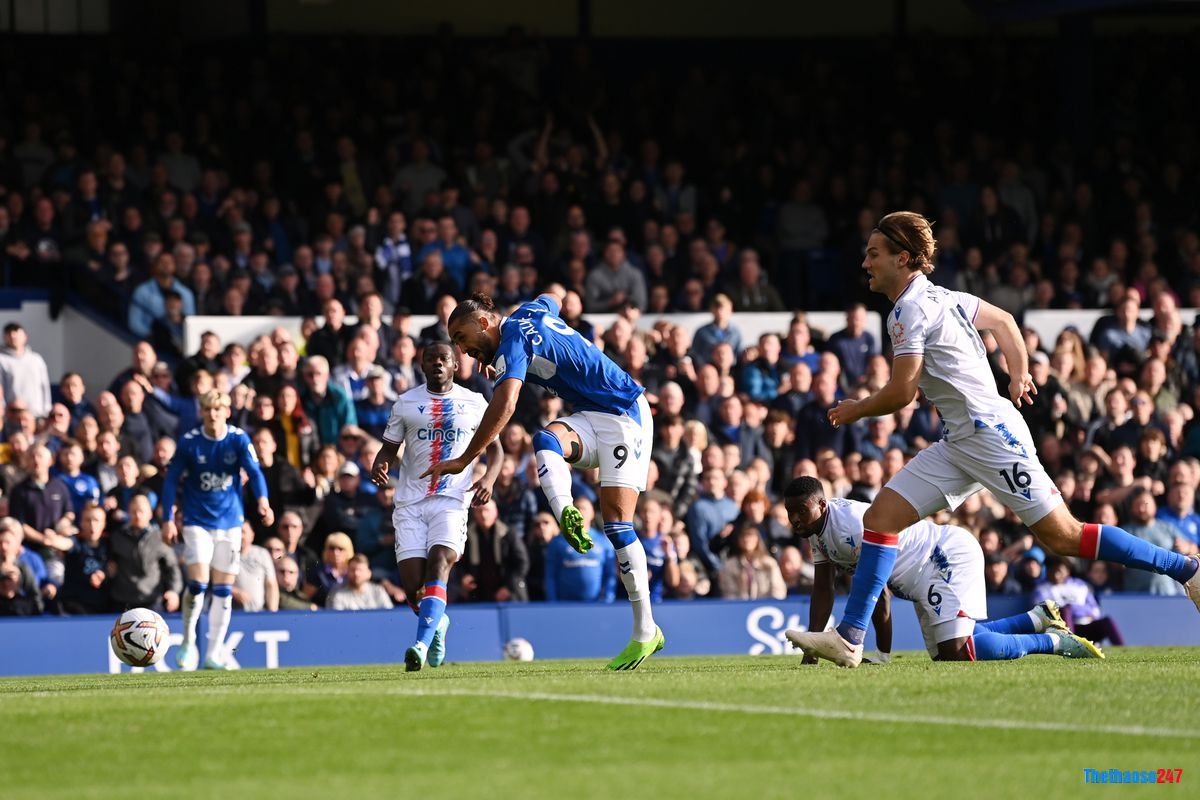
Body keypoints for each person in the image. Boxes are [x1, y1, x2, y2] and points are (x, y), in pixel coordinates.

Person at [789, 211, 1200, 669]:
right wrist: (1018, 374)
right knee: (881, 517)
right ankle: (849, 637)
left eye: (874, 254)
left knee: (1064, 536)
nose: (865, 263)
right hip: (960, 439)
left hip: (989, 435)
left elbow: (904, 392)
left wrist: (856, 408)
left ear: (903, 258)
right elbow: (1004, 321)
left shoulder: (907, 310)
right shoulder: (944, 297)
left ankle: (1187, 571)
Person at [427, 290, 664, 669]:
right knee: (546, 440)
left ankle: (645, 630)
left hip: (624, 414)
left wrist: (465, 459)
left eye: (461, 338)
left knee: (618, 527)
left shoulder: (513, 341)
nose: (461, 351)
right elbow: (553, 296)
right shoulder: (528, 312)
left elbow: (505, 406)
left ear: (484, 322)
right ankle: (566, 511)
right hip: (590, 413)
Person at [783, 477, 1102, 662]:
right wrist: (814, 646)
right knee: (945, 655)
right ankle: (1037, 619)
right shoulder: (818, 533)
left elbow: (878, 592)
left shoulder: (850, 524)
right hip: (923, 575)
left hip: (942, 555)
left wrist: (878, 654)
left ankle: (1056, 642)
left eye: (801, 511)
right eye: (790, 513)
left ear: (821, 505)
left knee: (960, 650)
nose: (795, 519)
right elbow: (823, 589)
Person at [369, 341, 501, 671]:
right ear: (422, 366)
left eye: (444, 359)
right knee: (415, 590)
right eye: (431, 359)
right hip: (411, 502)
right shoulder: (406, 403)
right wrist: (380, 463)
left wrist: (488, 480)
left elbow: (496, 451)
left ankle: (420, 644)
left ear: (456, 365)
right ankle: (437, 624)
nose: (437, 364)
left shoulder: (474, 402)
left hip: (452, 500)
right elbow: (389, 448)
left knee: (440, 562)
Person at [160, 389, 274, 670]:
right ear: (201, 412)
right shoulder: (189, 443)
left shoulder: (237, 440)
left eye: (218, 409)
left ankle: (213, 653)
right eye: (208, 409)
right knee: (198, 584)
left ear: (227, 411)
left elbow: (256, 472)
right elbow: (171, 480)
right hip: (197, 521)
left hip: (230, 523)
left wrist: (263, 501)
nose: (213, 414)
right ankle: (188, 642)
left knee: (223, 590)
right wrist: (166, 516)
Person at [108, 494, 182, 613]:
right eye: (133, 511)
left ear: (150, 513)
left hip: (151, 601)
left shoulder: (159, 537)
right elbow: (110, 563)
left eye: (141, 511)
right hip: (122, 601)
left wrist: (174, 591)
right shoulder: (117, 536)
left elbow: (172, 567)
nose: (137, 515)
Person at [544, 496, 617, 602]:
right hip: (565, 605)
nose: (580, 511)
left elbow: (610, 575)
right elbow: (550, 576)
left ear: (592, 513)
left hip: (595, 605)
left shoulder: (604, 542)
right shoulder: (558, 542)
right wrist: (552, 602)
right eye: (577, 508)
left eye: (584, 508)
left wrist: (607, 600)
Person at [0, 322, 51, 418]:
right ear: (5, 337)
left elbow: (45, 387)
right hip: (12, 417)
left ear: (25, 336)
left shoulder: (37, 359)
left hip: (37, 416)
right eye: (9, 333)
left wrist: (45, 412)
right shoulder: (1, 360)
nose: (13, 336)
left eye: (16, 333)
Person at [233, 522, 278, 613]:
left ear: (252, 535)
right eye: (237, 532)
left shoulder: (262, 554)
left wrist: (272, 614)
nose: (240, 536)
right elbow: (217, 582)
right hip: (233, 613)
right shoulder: (225, 554)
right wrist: (234, 592)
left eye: (243, 532)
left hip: (259, 612)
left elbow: (271, 584)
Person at [326, 553, 394, 610]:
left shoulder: (378, 591)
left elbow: (389, 615)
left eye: (360, 570)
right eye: (353, 570)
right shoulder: (337, 594)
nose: (356, 573)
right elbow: (337, 620)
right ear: (347, 572)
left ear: (369, 573)